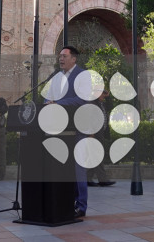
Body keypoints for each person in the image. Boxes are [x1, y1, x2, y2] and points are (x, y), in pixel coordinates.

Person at [47, 46, 89, 218]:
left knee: (79, 168)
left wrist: (58, 103)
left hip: (78, 127)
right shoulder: (57, 77)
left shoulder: (83, 75)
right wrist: (48, 102)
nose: (61, 59)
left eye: (64, 56)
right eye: (60, 56)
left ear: (74, 59)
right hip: (60, 128)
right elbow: (48, 96)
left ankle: (81, 205)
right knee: (63, 167)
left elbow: (83, 99)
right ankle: (65, 203)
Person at [86, 90, 115, 187]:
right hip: (94, 133)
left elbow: (111, 107)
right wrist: (91, 132)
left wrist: (108, 96)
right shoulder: (92, 103)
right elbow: (89, 119)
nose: (103, 95)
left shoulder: (101, 103)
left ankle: (87, 178)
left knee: (94, 156)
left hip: (101, 133)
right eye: (102, 93)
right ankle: (103, 179)